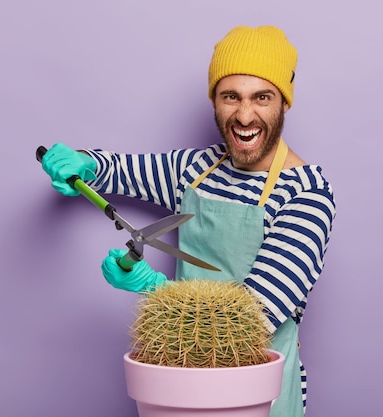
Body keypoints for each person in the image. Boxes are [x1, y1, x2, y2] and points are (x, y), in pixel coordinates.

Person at [40, 25, 335, 416]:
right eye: (231, 96)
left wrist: (155, 289)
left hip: (258, 395)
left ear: (284, 102)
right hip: (176, 385)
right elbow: (118, 171)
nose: (245, 115)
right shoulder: (196, 169)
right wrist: (84, 161)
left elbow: (245, 324)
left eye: (262, 97)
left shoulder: (307, 196)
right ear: (214, 101)